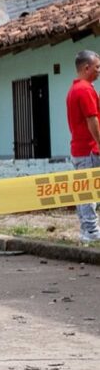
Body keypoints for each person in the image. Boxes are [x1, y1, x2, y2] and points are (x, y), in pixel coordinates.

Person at [67, 50, 100, 242]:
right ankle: (91, 231)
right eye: (97, 67)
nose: (99, 70)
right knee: (89, 191)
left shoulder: (74, 89)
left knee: (83, 190)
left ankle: (87, 230)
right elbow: (91, 120)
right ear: (86, 68)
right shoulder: (86, 89)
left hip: (79, 150)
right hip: (89, 150)